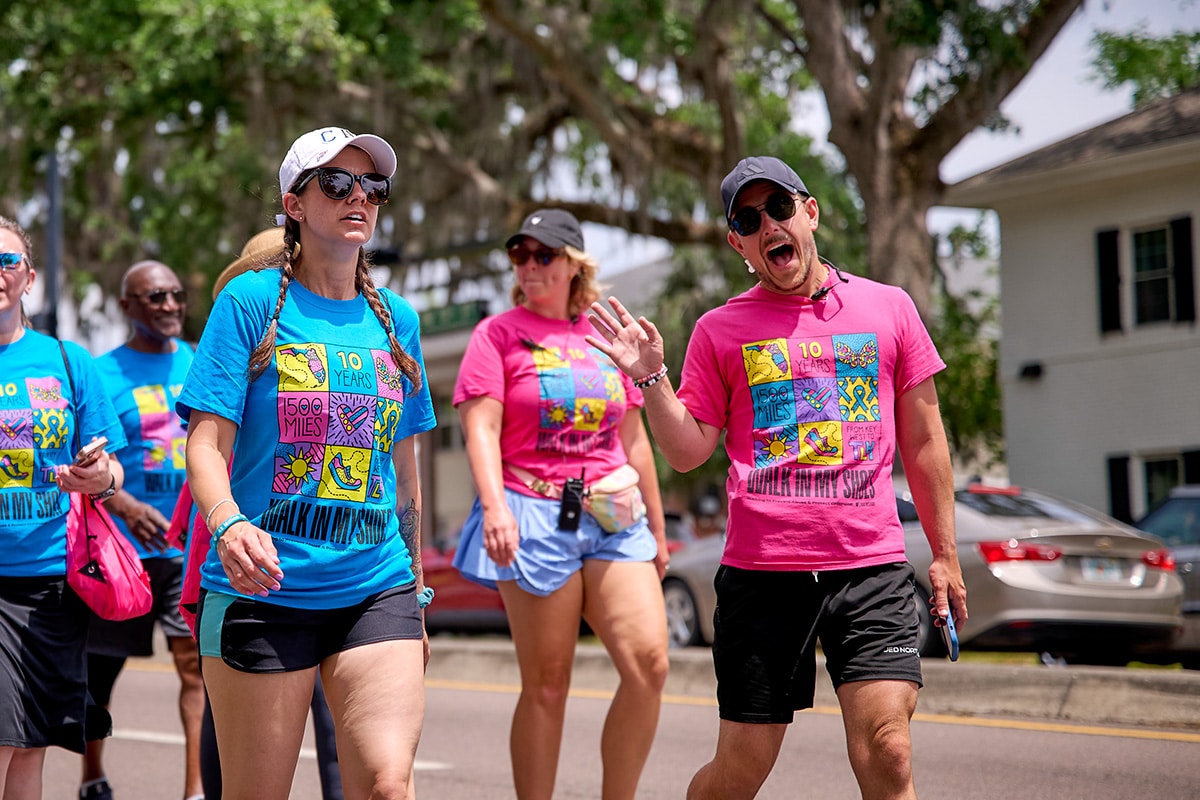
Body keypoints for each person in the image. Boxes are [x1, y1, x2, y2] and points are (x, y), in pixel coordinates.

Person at [585, 156, 969, 800]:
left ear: (809, 213)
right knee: (740, 773)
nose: (768, 225)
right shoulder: (719, 330)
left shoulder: (889, 308)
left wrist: (946, 556)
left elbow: (926, 440)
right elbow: (686, 450)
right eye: (748, 218)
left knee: (890, 752)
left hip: (868, 567)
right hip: (763, 578)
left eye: (779, 209)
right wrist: (650, 378)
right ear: (739, 243)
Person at [177, 127, 436, 800]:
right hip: (264, 594)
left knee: (386, 785)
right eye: (337, 183)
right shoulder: (251, 303)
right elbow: (204, 446)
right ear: (294, 203)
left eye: (372, 187)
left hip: (375, 587)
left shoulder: (397, 322)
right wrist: (228, 524)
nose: (360, 198)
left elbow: (407, 481)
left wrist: (417, 593)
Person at [453, 208, 670, 800]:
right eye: (520, 255)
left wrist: (656, 528)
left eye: (543, 255)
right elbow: (481, 429)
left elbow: (634, 440)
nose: (530, 266)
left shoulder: (605, 337)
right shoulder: (496, 334)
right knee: (548, 683)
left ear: (575, 264)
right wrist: (494, 508)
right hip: (531, 507)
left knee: (649, 664)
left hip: (613, 510)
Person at [0, 215, 126, 800]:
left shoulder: (70, 361)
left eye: (8, 262)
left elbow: (111, 470)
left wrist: (97, 476)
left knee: (30, 746)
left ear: (29, 277)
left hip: (55, 584)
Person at [77, 260, 203, 800]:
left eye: (176, 294)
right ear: (127, 306)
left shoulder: (201, 361)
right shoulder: (102, 373)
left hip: (186, 546)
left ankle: (196, 790)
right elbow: (81, 463)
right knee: (101, 673)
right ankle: (91, 776)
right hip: (119, 550)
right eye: (155, 297)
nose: (170, 305)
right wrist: (125, 505)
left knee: (195, 669)